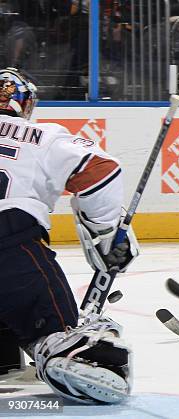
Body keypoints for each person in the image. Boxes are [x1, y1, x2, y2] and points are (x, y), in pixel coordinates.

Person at [0, 68, 138, 403]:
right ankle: (72, 351)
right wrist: (106, 234)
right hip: (9, 242)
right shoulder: (40, 136)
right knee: (64, 342)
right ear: (25, 103)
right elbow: (100, 169)